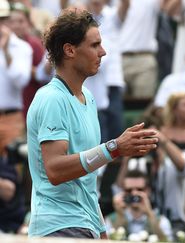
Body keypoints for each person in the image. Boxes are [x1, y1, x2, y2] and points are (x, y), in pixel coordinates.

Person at [26, 9, 159, 239]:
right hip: (58, 227)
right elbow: (55, 170)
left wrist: (101, 230)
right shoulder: (51, 99)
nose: (103, 52)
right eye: (94, 45)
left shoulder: (89, 97)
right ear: (70, 50)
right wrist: (114, 148)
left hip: (86, 225)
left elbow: (86, 183)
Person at [0, 0, 32, 156]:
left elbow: (21, 81)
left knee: (13, 171)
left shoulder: (22, 47)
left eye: (3, 19)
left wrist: (6, 52)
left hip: (11, 118)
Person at [106, 170, 173, 241]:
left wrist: (150, 214)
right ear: (123, 191)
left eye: (140, 189)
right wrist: (120, 216)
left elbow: (166, 241)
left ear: (148, 191)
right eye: (129, 190)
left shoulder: (162, 220)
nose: (134, 193)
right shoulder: (111, 219)